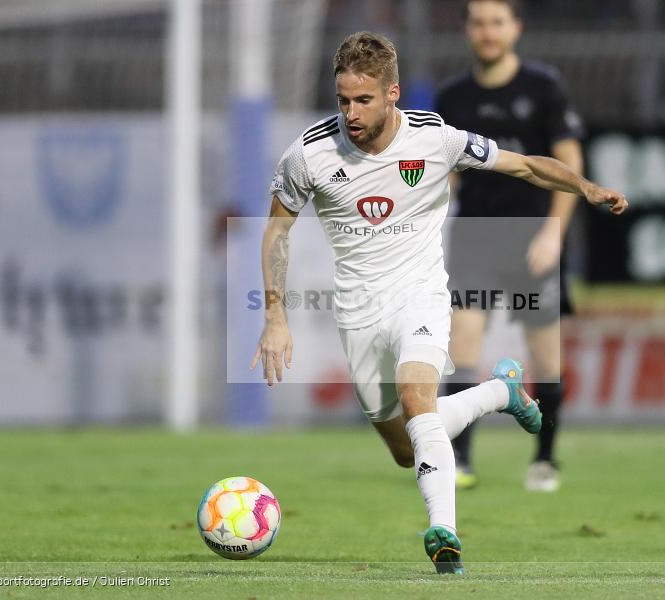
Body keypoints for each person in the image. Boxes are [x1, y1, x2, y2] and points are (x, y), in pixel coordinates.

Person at [250, 31, 627, 575]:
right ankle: (500, 391)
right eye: (342, 100)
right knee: (406, 448)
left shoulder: (437, 138)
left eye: (363, 100)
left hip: (420, 296)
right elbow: (276, 234)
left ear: (392, 93)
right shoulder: (309, 153)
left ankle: (444, 533)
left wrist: (586, 189)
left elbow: (524, 165)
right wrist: (274, 316)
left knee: (417, 396)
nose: (350, 113)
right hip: (357, 313)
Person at [435, 0, 584, 492]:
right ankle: (459, 461)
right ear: (467, 31)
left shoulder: (543, 89)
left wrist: (553, 234)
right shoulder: (451, 98)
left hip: (531, 241)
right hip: (474, 240)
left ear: (515, 27)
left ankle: (545, 458)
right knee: (462, 350)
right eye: (478, 22)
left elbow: (568, 167)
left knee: (546, 360)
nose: (488, 31)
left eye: (497, 21)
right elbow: (447, 177)